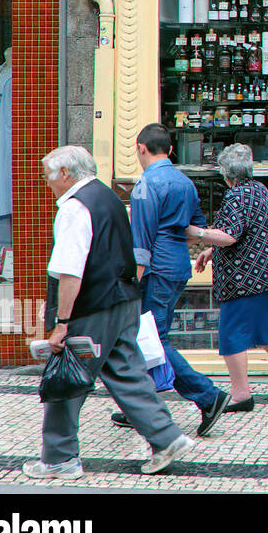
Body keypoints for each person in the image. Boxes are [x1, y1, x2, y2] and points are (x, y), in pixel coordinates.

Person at [24, 145, 194, 479]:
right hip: (124, 301)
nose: (47, 181)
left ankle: (59, 458)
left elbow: (70, 272)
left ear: (66, 173)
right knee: (128, 373)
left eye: (49, 173)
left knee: (67, 379)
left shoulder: (74, 208)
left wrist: (62, 323)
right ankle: (167, 438)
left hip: (93, 308)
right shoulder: (108, 196)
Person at [115, 124, 230, 436]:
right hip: (178, 266)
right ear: (169, 149)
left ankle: (209, 397)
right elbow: (197, 228)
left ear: (141, 148)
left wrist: (131, 284)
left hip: (157, 272)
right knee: (151, 337)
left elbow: (141, 243)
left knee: (154, 339)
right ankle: (140, 406)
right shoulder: (184, 182)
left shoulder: (145, 185)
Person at [190, 144, 268, 410]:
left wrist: (197, 234)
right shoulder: (260, 189)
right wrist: (212, 249)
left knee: (232, 334)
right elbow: (252, 230)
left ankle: (241, 394)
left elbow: (231, 235)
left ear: (225, 171)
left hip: (245, 280)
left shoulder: (235, 195)